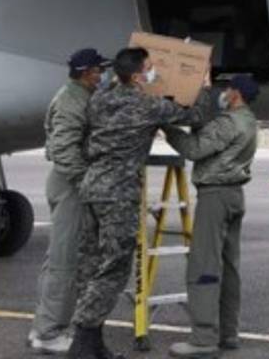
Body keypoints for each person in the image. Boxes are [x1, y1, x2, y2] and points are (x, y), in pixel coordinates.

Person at [68, 47, 209, 359]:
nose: (152, 72)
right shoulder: (146, 105)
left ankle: (92, 344)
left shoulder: (100, 98)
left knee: (91, 265)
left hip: (92, 188)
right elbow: (195, 115)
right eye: (148, 68)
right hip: (118, 192)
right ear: (136, 76)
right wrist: (204, 84)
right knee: (114, 268)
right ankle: (82, 343)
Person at [165, 74, 261, 358]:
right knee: (229, 268)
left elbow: (194, 149)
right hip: (234, 195)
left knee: (204, 265)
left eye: (228, 88)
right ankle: (228, 333)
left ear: (236, 94)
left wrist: (166, 127)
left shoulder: (228, 122)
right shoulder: (248, 120)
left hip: (215, 196)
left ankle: (203, 337)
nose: (224, 91)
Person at [29, 47, 113, 355]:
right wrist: (86, 180)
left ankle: (43, 325)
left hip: (72, 182)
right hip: (71, 184)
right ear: (86, 72)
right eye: (99, 71)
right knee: (66, 260)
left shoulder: (80, 96)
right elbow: (64, 150)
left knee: (58, 258)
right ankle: (49, 333)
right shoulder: (71, 100)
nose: (102, 75)